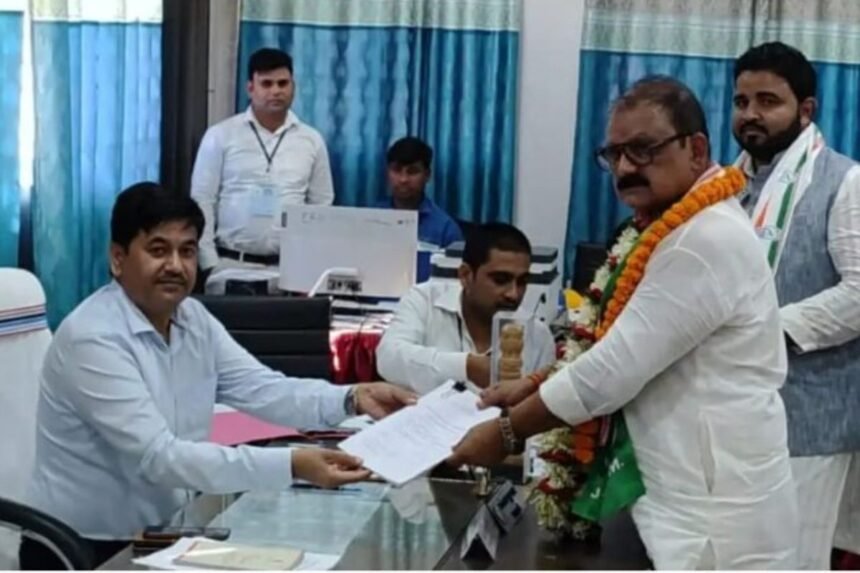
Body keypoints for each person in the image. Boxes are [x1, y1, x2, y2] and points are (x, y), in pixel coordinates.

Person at [450, 77, 798, 569]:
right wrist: (533, 384)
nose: (625, 168)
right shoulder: (661, 229)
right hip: (677, 487)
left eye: (643, 149)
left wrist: (507, 433)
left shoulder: (705, 239)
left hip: (716, 512)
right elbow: (620, 345)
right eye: (613, 154)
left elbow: (609, 373)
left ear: (696, 150)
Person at [23, 183, 414, 569]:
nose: (175, 266)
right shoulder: (93, 337)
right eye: (158, 250)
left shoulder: (193, 318)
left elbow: (264, 389)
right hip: (83, 548)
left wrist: (352, 397)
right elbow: (160, 457)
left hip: (166, 533)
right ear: (118, 259)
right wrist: (292, 465)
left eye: (187, 251)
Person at [731, 41, 860, 570]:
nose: (751, 115)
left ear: (805, 110)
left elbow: (859, 292)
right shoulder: (724, 187)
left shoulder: (844, 181)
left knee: (793, 559)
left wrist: (766, 330)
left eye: (768, 101)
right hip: (733, 412)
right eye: (741, 102)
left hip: (810, 417)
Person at [191, 47, 334, 295]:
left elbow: (321, 205)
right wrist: (209, 263)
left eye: (283, 83)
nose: (276, 91)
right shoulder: (221, 135)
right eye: (266, 83)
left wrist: (309, 265)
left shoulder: (311, 140)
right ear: (250, 88)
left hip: (290, 272)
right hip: (229, 266)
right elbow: (202, 200)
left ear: (293, 86)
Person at [376, 222, 555, 395]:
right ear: (465, 275)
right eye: (500, 280)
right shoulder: (426, 300)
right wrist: (467, 367)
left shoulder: (537, 335)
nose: (513, 294)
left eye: (522, 282)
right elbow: (388, 359)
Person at [376, 137, 463, 248]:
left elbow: (457, 265)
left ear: (427, 175)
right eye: (397, 170)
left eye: (412, 171)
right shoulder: (369, 220)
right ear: (387, 173)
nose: (403, 179)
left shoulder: (449, 230)